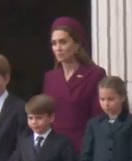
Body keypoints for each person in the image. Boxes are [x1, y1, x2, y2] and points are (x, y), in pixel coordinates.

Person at [42, 16, 108, 153]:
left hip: (83, 149)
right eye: (54, 43)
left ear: (77, 45)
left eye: (63, 42)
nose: (58, 48)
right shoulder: (50, 78)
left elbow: (98, 117)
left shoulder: (95, 75)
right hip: (56, 152)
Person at [0, 94, 79, 161]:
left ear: (51, 117)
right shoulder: (24, 143)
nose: (34, 122)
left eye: (39, 118)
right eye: (30, 118)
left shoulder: (63, 143)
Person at [80, 76, 132, 161]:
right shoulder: (93, 124)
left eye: (110, 99)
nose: (106, 104)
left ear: (122, 98)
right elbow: (84, 158)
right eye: (102, 99)